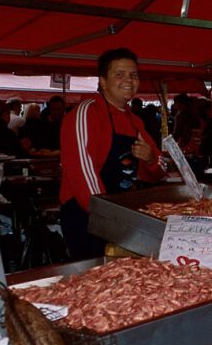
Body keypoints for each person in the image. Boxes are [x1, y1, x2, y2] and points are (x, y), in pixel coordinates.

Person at [60, 48, 165, 260]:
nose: (128, 80)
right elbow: (82, 171)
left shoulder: (135, 121)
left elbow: (161, 168)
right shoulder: (87, 112)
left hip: (121, 213)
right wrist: (111, 219)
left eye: (133, 75)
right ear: (103, 82)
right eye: (119, 74)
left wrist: (150, 159)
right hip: (87, 214)